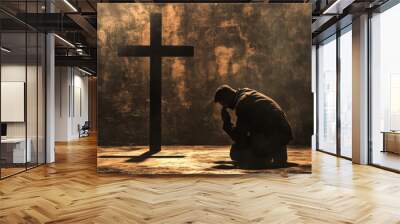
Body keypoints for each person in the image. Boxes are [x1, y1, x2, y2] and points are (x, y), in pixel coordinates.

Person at [214, 85, 293, 169]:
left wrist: (227, 122)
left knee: (236, 151)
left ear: (227, 97)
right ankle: (269, 160)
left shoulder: (242, 103)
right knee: (279, 165)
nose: (225, 107)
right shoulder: (247, 93)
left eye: (223, 103)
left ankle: (262, 164)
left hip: (271, 137)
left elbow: (240, 138)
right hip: (284, 134)